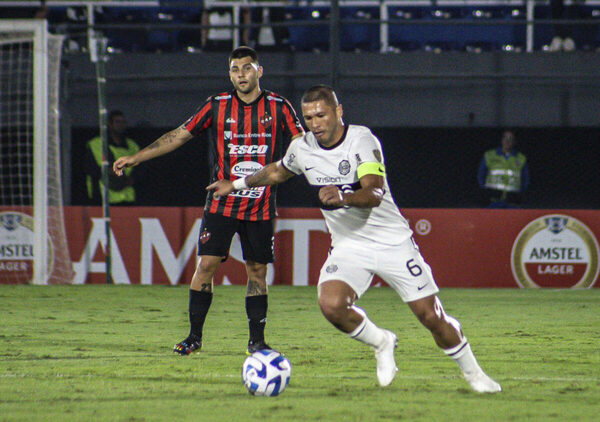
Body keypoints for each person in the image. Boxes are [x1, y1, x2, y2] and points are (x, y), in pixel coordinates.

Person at [208, 85, 502, 393]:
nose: (315, 123)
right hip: (350, 246)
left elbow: (374, 191)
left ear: (338, 112)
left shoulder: (362, 140)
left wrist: (344, 196)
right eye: (308, 117)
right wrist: (236, 183)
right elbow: (278, 172)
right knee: (332, 304)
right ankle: (382, 341)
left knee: (431, 316)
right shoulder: (302, 148)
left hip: (392, 242)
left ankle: (474, 374)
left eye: (321, 115)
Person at [113, 46, 304, 355]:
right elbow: (178, 135)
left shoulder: (279, 106)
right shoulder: (217, 106)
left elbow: (300, 143)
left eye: (246, 67)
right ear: (229, 74)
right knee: (207, 265)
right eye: (234, 69)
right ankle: (194, 337)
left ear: (259, 71)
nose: (240, 74)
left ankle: (256, 341)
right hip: (221, 201)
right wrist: (137, 158)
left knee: (257, 271)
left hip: (260, 203)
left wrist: (294, 165)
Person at [85, 110, 140, 205]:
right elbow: (93, 169)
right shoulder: (96, 144)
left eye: (123, 122)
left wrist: (131, 179)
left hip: (127, 199)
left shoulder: (132, 145)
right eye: (117, 122)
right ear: (109, 124)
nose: (121, 125)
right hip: (103, 199)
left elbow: (140, 169)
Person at [477, 129, 530, 208]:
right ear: (501, 140)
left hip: (512, 203)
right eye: (505, 138)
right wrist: (487, 193)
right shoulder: (489, 155)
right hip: (493, 201)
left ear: (514, 142)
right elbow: (481, 176)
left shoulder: (521, 158)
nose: (507, 141)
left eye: (510, 139)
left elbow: (525, 180)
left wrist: (518, 195)